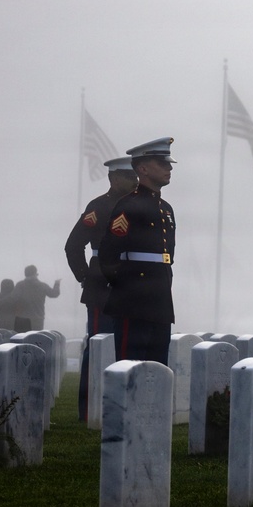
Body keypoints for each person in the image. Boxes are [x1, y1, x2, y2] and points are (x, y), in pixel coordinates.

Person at [65, 155, 137, 421]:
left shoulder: (140, 205)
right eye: (129, 177)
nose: (134, 182)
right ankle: (88, 409)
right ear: (114, 178)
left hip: (132, 286)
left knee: (129, 346)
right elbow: (73, 245)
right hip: (102, 288)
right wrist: (85, 276)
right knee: (99, 346)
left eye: (136, 177)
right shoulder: (99, 206)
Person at [98, 137, 177, 365]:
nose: (169, 168)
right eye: (162, 164)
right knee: (129, 367)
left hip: (160, 298)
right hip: (133, 302)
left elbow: (168, 257)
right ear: (142, 168)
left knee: (158, 366)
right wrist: (126, 287)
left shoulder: (166, 209)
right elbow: (108, 254)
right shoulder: (128, 205)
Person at [11, 265, 60, 331]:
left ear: (25, 274)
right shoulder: (42, 286)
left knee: (21, 339)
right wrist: (57, 284)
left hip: (22, 318)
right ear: (35, 274)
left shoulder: (20, 285)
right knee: (35, 339)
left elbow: (13, 298)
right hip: (38, 319)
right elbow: (54, 294)